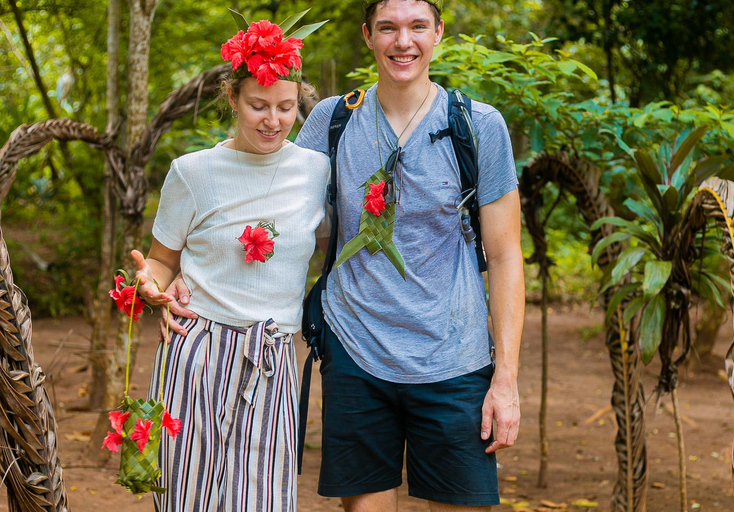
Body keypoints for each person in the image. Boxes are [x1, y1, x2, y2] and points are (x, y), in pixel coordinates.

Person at [168, 0, 524, 510]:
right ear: (368, 35)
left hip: (453, 358)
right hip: (356, 355)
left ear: (438, 32)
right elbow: (265, 199)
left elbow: (507, 255)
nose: (404, 41)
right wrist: (184, 272)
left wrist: (505, 379)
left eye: (417, 26)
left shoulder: (478, 126)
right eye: (388, 28)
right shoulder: (332, 121)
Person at [130, 13, 329, 512]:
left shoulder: (315, 171)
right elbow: (160, 262)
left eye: (286, 107)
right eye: (258, 105)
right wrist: (150, 285)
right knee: (184, 497)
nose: (273, 120)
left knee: (262, 499)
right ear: (232, 100)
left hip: (273, 354)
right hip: (196, 350)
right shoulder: (193, 173)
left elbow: (330, 246)